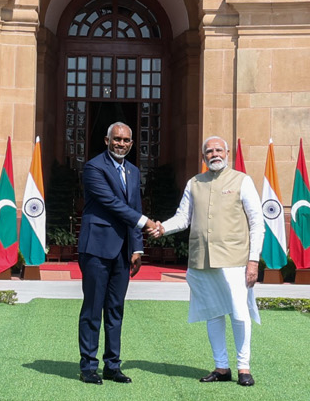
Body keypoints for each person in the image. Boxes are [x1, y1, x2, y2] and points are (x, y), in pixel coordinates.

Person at [145, 135, 265, 387]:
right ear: (203, 157)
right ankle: (221, 367)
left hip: (234, 259)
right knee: (213, 313)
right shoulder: (194, 183)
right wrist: (162, 228)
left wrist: (253, 261)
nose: (214, 154)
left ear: (228, 152)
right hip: (202, 259)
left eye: (218, 150)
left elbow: (257, 222)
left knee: (239, 313)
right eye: (209, 151)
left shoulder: (242, 181)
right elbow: (182, 218)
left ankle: (244, 367)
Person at [76, 122, 146, 384]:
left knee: (116, 309)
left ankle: (112, 365)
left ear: (131, 143)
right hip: (96, 248)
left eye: (126, 140)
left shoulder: (133, 171)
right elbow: (112, 203)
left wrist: (137, 247)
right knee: (93, 309)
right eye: (117, 139)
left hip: (123, 251)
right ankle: (88, 366)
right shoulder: (94, 167)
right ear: (106, 140)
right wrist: (146, 222)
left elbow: (134, 206)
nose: (121, 144)